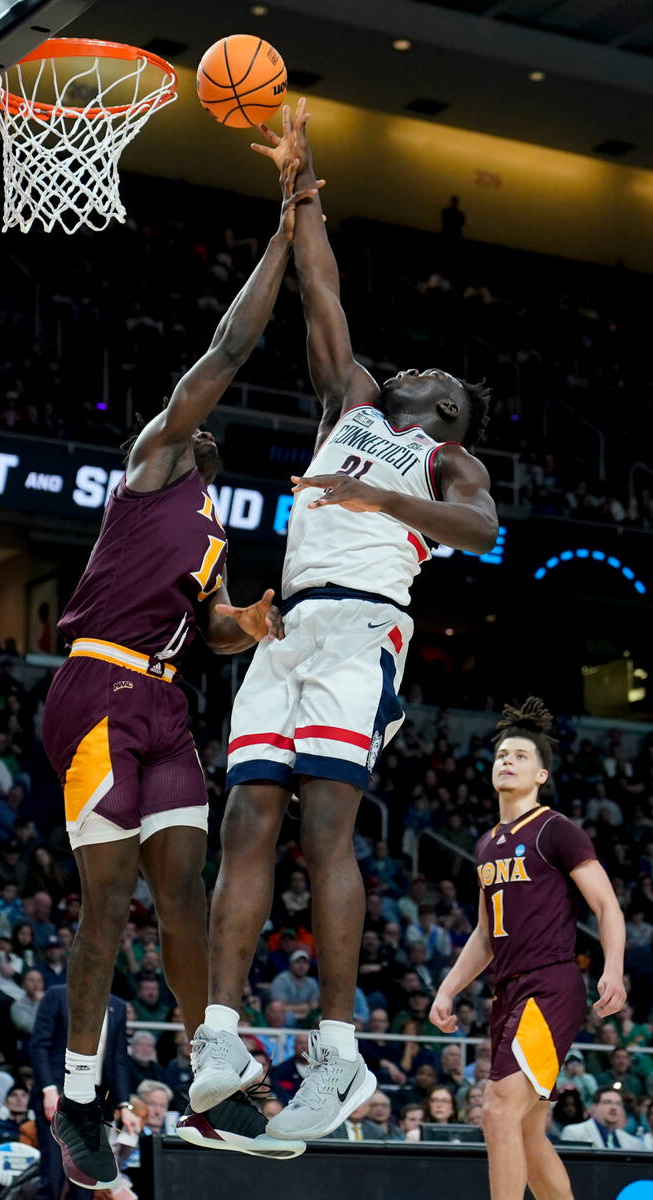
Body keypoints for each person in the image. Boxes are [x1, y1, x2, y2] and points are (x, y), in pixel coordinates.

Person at [192, 101, 499, 1143]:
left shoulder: (449, 461)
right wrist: (302, 182)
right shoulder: (349, 406)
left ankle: (337, 1051)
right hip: (286, 632)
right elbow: (319, 288)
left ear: (450, 411)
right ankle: (222, 1034)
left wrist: (384, 505)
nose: (413, 371)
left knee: (326, 829)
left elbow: (481, 531)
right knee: (244, 822)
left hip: (366, 631)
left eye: (435, 378)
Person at [40, 161, 315, 1188]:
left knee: (185, 893)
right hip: (95, 690)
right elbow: (230, 346)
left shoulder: (215, 523)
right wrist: (285, 236)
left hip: (163, 700)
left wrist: (249, 622)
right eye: (189, 412)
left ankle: (211, 1082)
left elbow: (217, 630)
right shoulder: (153, 464)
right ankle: (76, 1097)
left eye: (206, 421)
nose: (203, 419)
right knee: (107, 904)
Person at [430, 699, 626, 1200]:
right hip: (508, 993)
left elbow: (606, 906)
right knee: (526, 1132)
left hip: (550, 985)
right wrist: (448, 990)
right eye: (500, 755)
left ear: (541, 774)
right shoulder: (485, 844)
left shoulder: (555, 829)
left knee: (497, 1109)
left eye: (519, 755)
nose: (507, 761)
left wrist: (614, 968)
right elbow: (483, 934)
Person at [30, 986, 132, 1200]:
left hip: (95, 1104)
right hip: (59, 1096)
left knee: (86, 1182)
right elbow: (39, 1045)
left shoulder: (117, 1006)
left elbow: (119, 1059)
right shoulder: (57, 995)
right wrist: (48, 1089)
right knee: (53, 1178)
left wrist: (124, 1105)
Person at [559, 1086, 645, 1150]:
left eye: (618, 1104)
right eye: (607, 1102)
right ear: (594, 1107)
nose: (613, 1108)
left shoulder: (633, 1143)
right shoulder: (574, 1133)